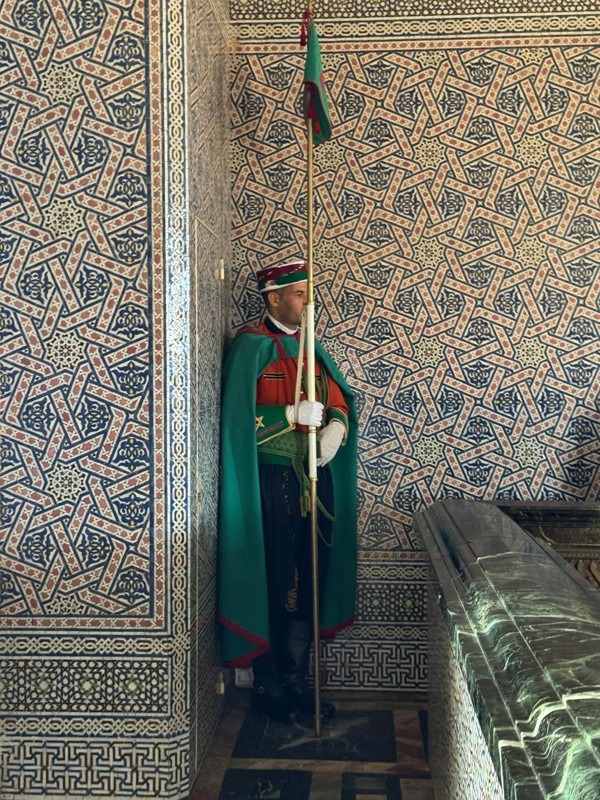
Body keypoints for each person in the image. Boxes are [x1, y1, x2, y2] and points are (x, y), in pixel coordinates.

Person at [218, 259, 358, 722]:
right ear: (273, 298)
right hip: (273, 482)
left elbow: (336, 399)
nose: (308, 301)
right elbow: (238, 421)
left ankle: (297, 677)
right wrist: (287, 419)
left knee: (310, 575)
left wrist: (335, 425)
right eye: (300, 294)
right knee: (279, 580)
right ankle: (269, 683)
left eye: (308, 293)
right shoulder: (252, 347)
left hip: (315, 480)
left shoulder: (312, 348)